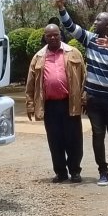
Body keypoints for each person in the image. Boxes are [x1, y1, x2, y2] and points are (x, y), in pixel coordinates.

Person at [55, 0, 108, 185]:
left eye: (98, 20)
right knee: (98, 135)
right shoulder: (90, 39)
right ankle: (103, 172)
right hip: (94, 98)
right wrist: (62, 8)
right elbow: (71, 27)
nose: (94, 22)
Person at [25, 24, 85, 183]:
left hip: (70, 103)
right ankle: (60, 172)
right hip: (50, 106)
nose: (52, 38)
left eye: (56, 35)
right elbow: (30, 84)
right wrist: (30, 104)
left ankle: (75, 171)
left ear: (61, 35)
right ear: (45, 37)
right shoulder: (38, 57)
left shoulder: (73, 53)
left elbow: (84, 77)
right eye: (49, 35)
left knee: (74, 139)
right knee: (55, 140)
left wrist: (84, 98)